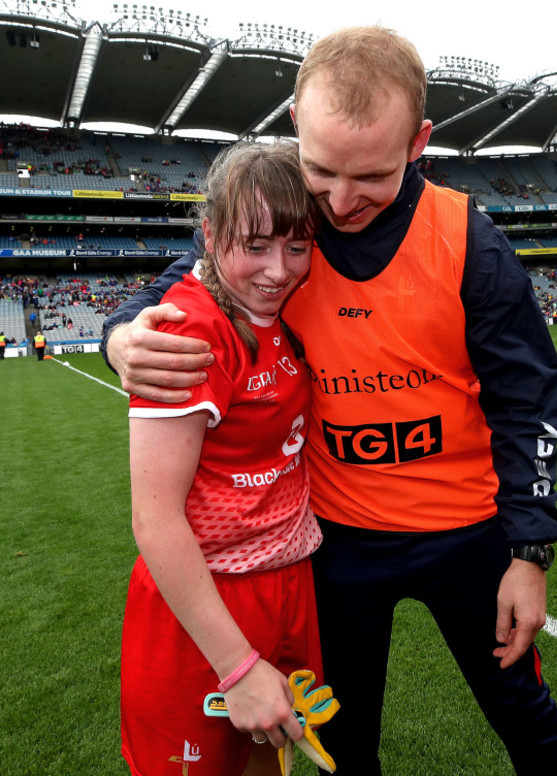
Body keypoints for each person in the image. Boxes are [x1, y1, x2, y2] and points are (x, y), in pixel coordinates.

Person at [102, 27, 557, 776]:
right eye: (322, 169)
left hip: (468, 534)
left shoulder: (468, 241)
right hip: (337, 545)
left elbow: (528, 401)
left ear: (419, 142)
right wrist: (119, 337)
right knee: (342, 740)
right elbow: (177, 288)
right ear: (296, 119)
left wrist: (530, 552)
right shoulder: (282, 230)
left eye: (373, 176)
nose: (339, 199)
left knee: (524, 711)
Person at [121, 140, 324, 776]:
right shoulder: (191, 329)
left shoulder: (285, 312)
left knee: (275, 760)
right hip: (206, 605)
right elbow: (155, 520)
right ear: (210, 235)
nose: (278, 269)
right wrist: (235, 664)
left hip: (290, 585)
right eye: (255, 245)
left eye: (296, 246)